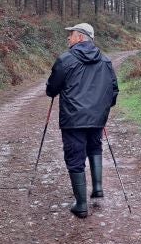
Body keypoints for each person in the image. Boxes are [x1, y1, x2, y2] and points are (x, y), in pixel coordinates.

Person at [45, 22, 119, 218]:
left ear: (80, 37)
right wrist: (102, 109)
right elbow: (114, 91)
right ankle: (97, 188)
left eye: (71, 35)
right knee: (94, 146)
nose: (68, 38)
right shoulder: (105, 60)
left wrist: (53, 89)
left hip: (73, 118)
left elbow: (51, 89)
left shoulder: (65, 59)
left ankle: (81, 204)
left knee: (75, 157)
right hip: (97, 118)